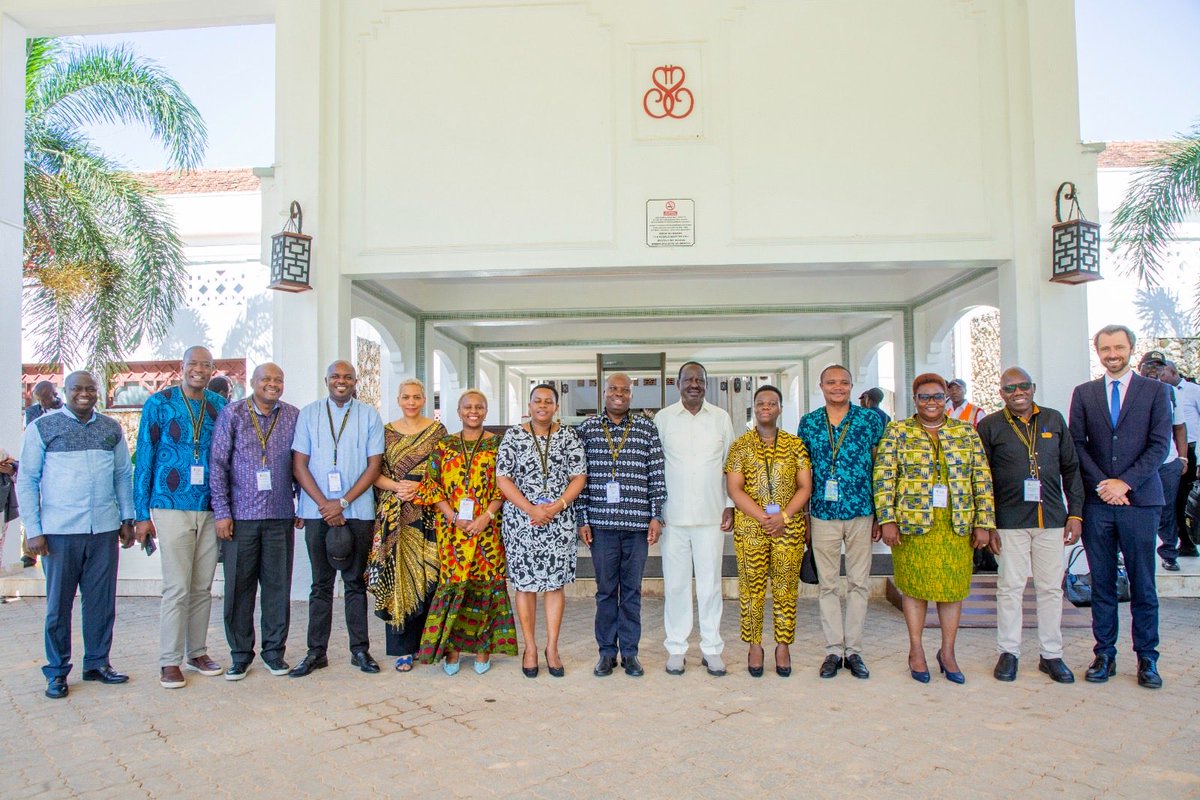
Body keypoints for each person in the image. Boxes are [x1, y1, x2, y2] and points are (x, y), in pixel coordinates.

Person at [17, 371, 136, 698]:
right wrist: (34, 529)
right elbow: (26, 480)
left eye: (90, 389)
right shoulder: (42, 427)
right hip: (59, 532)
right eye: (77, 389)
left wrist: (128, 518)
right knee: (58, 605)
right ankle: (56, 671)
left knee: (101, 602)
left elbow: (123, 476)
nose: (84, 394)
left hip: (103, 529)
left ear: (97, 392)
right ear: (65, 392)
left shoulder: (110, 429)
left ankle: (97, 663)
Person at [874, 373, 994, 684]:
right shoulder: (897, 432)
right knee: (914, 589)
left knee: (952, 591)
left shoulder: (965, 432)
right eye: (924, 397)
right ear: (915, 400)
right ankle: (916, 650)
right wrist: (887, 519)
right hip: (912, 525)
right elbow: (884, 477)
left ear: (946, 398)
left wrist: (984, 522)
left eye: (937, 396)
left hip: (956, 524)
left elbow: (981, 478)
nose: (931, 402)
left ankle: (948, 652)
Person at [1069, 324, 1172, 689]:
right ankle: (1105, 654)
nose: (1112, 354)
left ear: (1131, 349)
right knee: (1102, 583)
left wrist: (1124, 483)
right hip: (1099, 504)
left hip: (1141, 502)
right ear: (1097, 352)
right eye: (1105, 348)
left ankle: (1147, 658)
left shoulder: (1156, 392)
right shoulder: (1084, 393)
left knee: (1144, 583)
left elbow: (1160, 445)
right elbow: (1077, 445)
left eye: (1119, 347)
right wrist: (1104, 485)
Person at [977, 367, 1084, 684]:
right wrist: (987, 522)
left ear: (1033, 387)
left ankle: (1051, 654)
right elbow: (981, 479)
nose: (1017, 392)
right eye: (1010, 389)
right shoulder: (990, 426)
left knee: (1051, 589)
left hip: (1051, 518)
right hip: (1009, 521)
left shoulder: (1053, 420)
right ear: (1002, 394)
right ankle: (1008, 651)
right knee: (1010, 587)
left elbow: (1072, 468)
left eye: (1022, 386)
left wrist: (1075, 513)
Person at [134, 345, 227, 689]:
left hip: (209, 505)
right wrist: (141, 514)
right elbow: (144, 457)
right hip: (169, 503)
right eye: (193, 364)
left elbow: (225, 459)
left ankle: (197, 652)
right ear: (182, 367)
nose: (199, 370)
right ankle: (169, 661)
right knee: (176, 586)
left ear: (212, 369)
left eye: (205, 365)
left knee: (202, 586)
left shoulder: (219, 407)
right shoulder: (158, 403)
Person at [290, 360, 385, 677]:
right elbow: (299, 464)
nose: (341, 381)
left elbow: (374, 467)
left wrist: (342, 502)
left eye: (347, 377)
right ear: (326, 380)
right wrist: (324, 504)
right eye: (335, 377)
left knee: (355, 583)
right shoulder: (309, 413)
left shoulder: (369, 415)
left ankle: (360, 651)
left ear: (355, 381)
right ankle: (316, 652)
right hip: (316, 512)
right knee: (320, 585)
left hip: (357, 511)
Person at [415, 390, 518, 674]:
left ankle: (484, 648)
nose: (474, 411)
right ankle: (453, 648)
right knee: (455, 585)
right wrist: (451, 515)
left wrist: (486, 516)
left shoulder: (499, 444)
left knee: (485, 586)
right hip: (452, 531)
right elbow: (431, 485)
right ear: (459, 411)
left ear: (486, 411)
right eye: (468, 407)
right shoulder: (444, 445)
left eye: (480, 407)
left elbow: (506, 485)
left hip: (487, 529)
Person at [208, 363, 300, 680]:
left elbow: (301, 461)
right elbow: (218, 465)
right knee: (239, 589)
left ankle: (274, 653)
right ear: (253, 382)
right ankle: (240, 655)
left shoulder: (292, 415)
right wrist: (222, 512)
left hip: (279, 515)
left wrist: (300, 501)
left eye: (278, 379)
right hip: (241, 518)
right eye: (266, 379)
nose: (272, 384)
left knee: (277, 588)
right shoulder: (233, 414)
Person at [576, 373, 667, 678]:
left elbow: (656, 475)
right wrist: (583, 519)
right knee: (605, 592)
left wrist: (656, 515)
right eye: (613, 389)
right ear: (604, 393)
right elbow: (579, 478)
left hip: (637, 525)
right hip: (600, 526)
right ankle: (605, 653)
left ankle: (629, 653)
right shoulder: (587, 429)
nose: (619, 394)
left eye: (624, 390)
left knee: (631, 592)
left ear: (631, 394)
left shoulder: (646, 428)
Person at [798, 365, 886, 679]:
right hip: (822, 514)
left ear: (851, 386)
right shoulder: (809, 423)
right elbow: (802, 474)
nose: (838, 387)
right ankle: (834, 650)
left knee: (860, 583)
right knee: (828, 586)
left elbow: (881, 467)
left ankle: (855, 650)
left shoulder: (870, 420)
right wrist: (805, 516)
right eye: (831, 382)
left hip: (862, 511)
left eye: (844, 382)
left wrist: (881, 513)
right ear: (821, 386)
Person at [496, 384, 587, 678]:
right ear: (530, 405)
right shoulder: (513, 435)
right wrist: (531, 509)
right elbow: (503, 479)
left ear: (556, 407)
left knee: (554, 585)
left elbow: (579, 476)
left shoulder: (568, 436)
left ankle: (552, 648)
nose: (543, 405)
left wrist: (556, 506)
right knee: (525, 585)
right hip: (522, 521)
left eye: (549, 401)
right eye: (538, 401)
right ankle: (531, 647)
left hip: (558, 521)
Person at [654, 361, 736, 677]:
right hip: (672, 517)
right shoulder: (663, 419)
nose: (694, 384)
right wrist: (655, 513)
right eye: (688, 379)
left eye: (699, 380)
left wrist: (729, 503)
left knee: (710, 586)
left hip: (711, 516)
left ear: (706, 384)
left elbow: (731, 463)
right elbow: (655, 467)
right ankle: (676, 649)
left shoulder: (720, 418)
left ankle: (712, 649)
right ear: (677, 384)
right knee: (675, 586)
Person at [725, 385, 812, 677]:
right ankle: (754, 645)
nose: (766, 407)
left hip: (788, 528)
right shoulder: (740, 445)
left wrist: (783, 516)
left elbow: (805, 487)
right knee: (751, 589)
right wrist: (764, 517)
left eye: (772, 403)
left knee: (786, 589)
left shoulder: (795, 444)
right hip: (751, 527)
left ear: (780, 409)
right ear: (754, 407)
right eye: (761, 402)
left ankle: (783, 645)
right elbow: (734, 489)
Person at [365, 378, 445, 672]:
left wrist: (420, 489)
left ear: (424, 400)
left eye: (416, 397)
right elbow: (374, 472)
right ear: (398, 399)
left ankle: (428, 645)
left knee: (429, 575)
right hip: (395, 514)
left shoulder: (437, 431)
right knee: (399, 577)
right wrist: (399, 487)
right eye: (406, 397)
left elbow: (443, 472)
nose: (411, 402)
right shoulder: (385, 432)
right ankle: (403, 650)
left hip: (428, 513)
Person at [1137, 353, 1189, 572]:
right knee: (1133, 508)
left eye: (1158, 366)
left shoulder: (1170, 393)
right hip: (1138, 462)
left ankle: (1168, 553)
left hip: (1166, 462)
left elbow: (1179, 427)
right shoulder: (1131, 391)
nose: (1153, 370)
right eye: (1149, 366)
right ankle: (1127, 553)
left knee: (1166, 509)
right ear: (1140, 367)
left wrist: (1182, 457)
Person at [1156, 358, 1199, 559]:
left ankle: (1186, 544)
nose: (1157, 375)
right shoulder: (1150, 393)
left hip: (1188, 451)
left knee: (1183, 501)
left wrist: (1186, 458)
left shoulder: (1191, 391)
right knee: (1167, 504)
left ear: (1172, 372)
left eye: (1161, 370)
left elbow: (1181, 427)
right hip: (1161, 454)